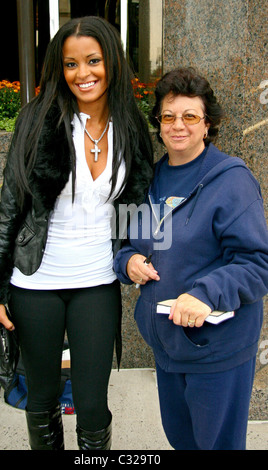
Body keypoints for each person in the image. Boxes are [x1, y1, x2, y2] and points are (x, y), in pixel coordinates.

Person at [0, 16, 153, 450]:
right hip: (35, 281)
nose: (82, 74)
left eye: (93, 61)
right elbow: (11, 208)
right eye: (71, 64)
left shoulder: (130, 127)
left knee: (93, 406)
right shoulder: (38, 120)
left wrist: (139, 256)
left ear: (111, 62)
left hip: (97, 278)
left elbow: (136, 207)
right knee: (41, 399)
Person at [114, 67, 268, 450]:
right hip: (167, 346)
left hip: (217, 349)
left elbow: (257, 262)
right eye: (168, 116)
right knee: (183, 441)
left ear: (207, 125)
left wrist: (206, 293)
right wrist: (128, 261)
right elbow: (126, 244)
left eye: (190, 116)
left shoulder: (231, 180)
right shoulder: (148, 178)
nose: (177, 125)